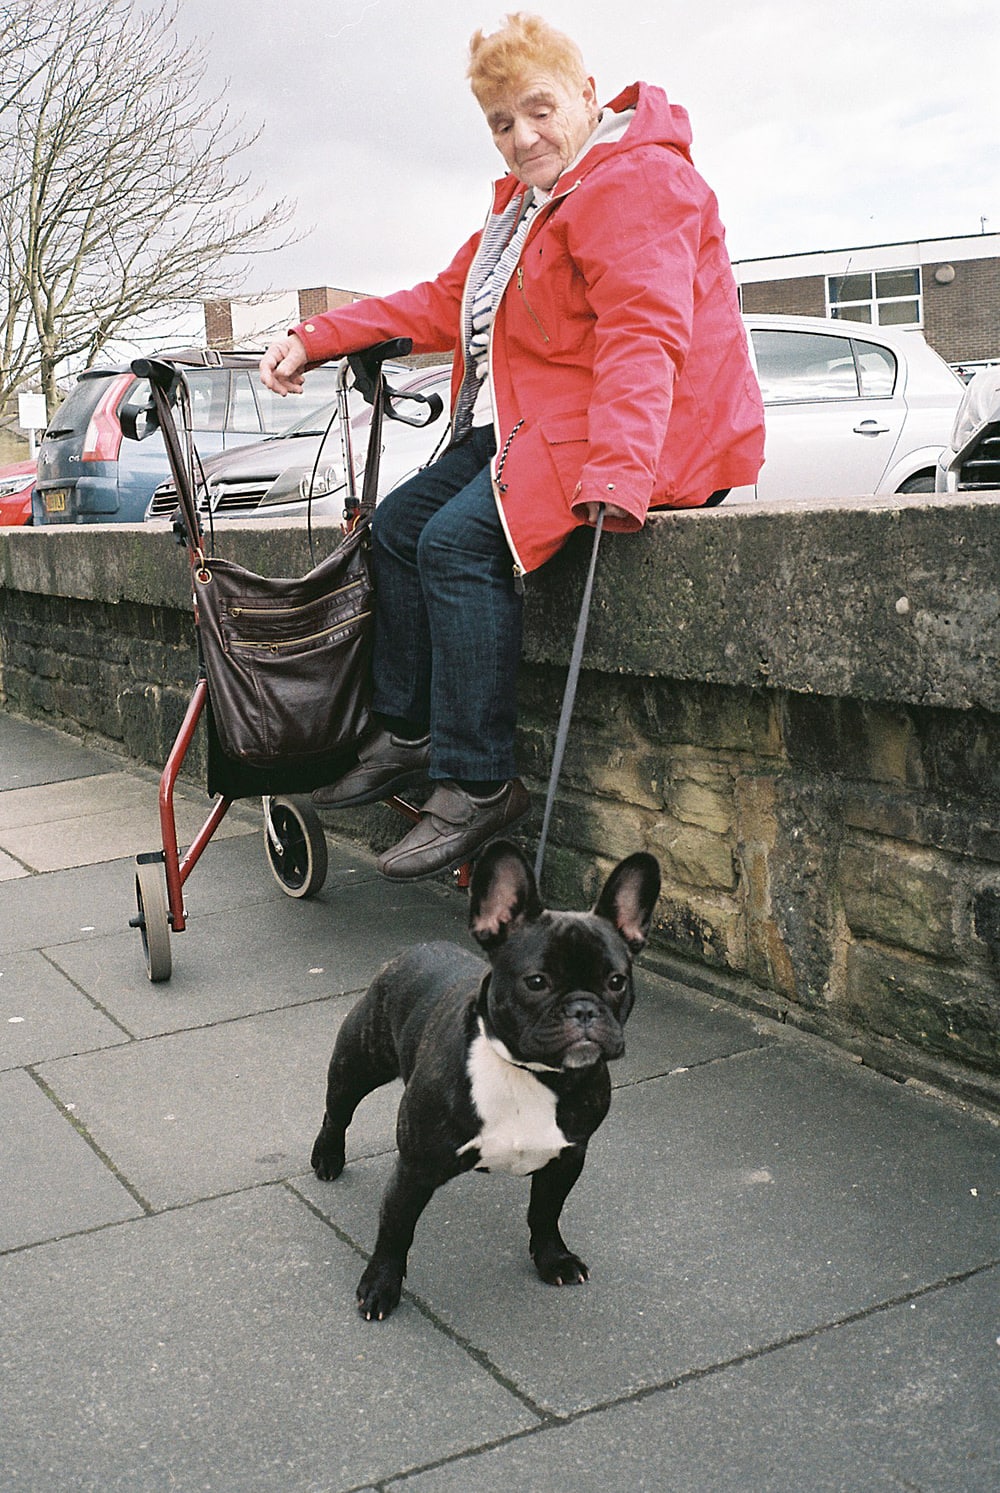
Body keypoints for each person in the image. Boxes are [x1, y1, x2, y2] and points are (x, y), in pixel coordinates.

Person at [260, 11, 765, 881]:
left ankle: (480, 778)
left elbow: (644, 338)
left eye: (538, 109)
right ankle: (409, 731)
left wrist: (619, 469)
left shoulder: (635, 182)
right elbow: (443, 300)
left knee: (457, 542)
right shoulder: (527, 207)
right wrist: (318, 336)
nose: (522, 136)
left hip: (648, 432)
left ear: (585, 95)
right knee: (396, 524)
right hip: (556, 418)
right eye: (501, 123)